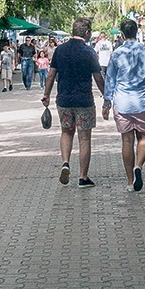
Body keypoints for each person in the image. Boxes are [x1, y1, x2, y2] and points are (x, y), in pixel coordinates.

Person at [42, 17, 105, 188]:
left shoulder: (60, 50)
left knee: (66, 133)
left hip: (64, 99)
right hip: (84, 100)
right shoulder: (89, 52)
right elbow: (98, 77)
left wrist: (46, 95)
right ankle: (83, 177)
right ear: (87, 33)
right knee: (84, 139)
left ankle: (65, 162)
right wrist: (106, 95)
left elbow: (51, 75)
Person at [103, 18, 145, 192]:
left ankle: (130, 181)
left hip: (122, 103)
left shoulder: (116, 54)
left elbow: (110, 79)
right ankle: (139, 166)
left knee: (126, 141)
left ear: (121, 34)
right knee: (144, 138)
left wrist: (107, 101)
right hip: (143, 101)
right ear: (137, 32)